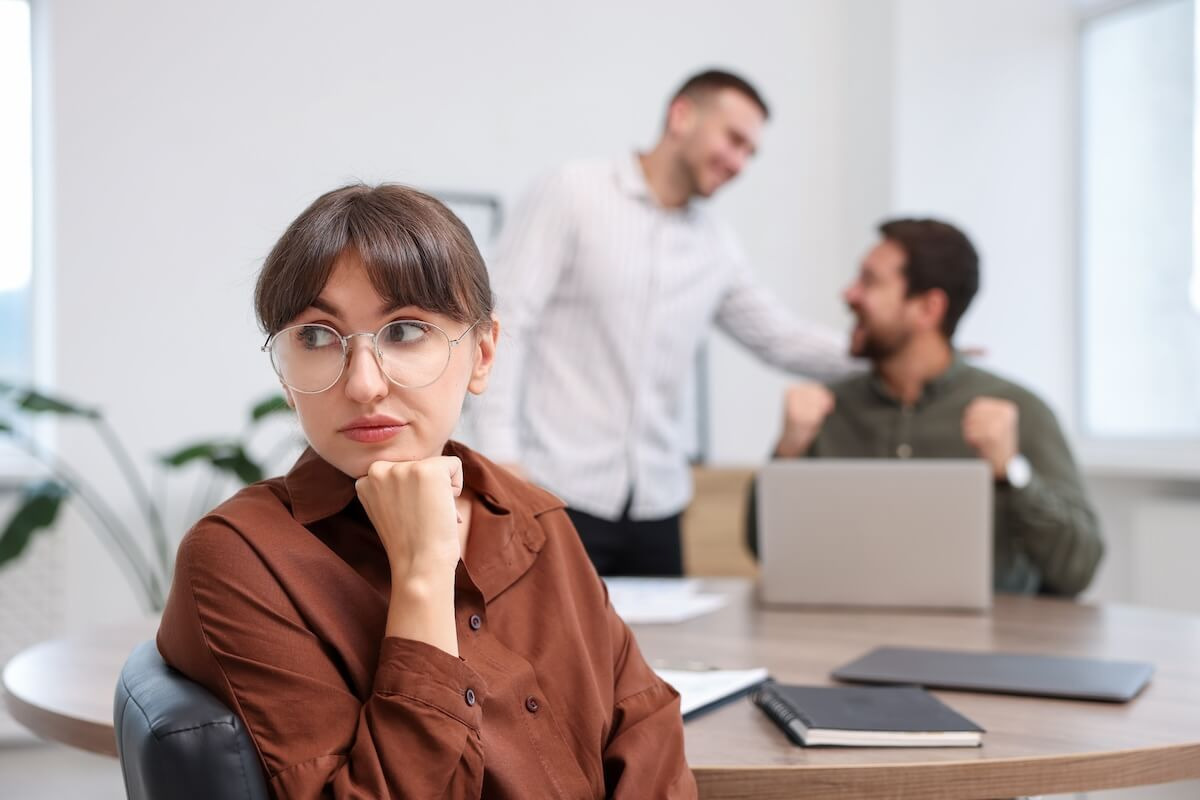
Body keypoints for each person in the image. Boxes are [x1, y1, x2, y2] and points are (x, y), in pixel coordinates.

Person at [157, 184, 697, 798]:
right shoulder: (241, 559)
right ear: (285, 374)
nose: (363, 385)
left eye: (405, 330)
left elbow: (644, 725)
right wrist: (422, 574)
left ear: (483, 354)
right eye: (316, 337)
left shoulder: (532, 517)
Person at [473, 69, 855, 577]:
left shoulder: (716, 244)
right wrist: (499, 456)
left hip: (659, 507)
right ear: (682, 116)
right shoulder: (572, 192)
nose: (739, 163)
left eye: (750, 153)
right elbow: (502, 323)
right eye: (734, 140)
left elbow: (779, 338)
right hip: (555, 491)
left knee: (667, 632)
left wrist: (895, 349)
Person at [749, 218, 1103, 597]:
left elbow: (1078, 568)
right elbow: (761, 547)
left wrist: (1010, 471)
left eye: (869, 281)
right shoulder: (825, 411)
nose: (849, 294)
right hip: (849, 625)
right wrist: (786, 453)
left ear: (928, 309)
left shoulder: (1018, 412)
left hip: (989, 631)